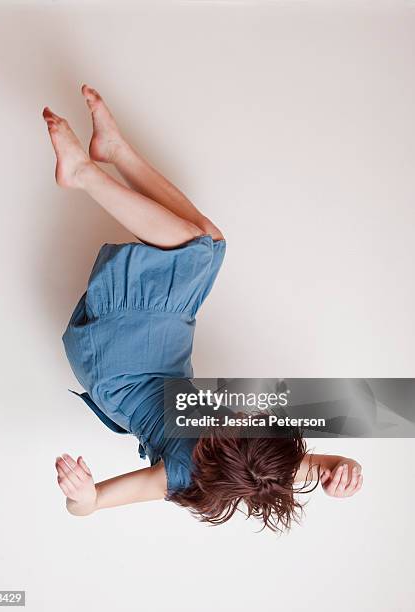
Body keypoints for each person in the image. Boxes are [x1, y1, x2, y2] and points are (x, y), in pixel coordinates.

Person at [43, 85, 363, 531]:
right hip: (163, 358)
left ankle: (83, 173)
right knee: (211, 243)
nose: (243, 412)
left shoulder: (181, 474)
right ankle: (112, 151)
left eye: (241, 423)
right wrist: (345, 472)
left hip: (120, 365)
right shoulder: (266, 462)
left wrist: (81, 495)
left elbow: (91, 504)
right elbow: (326, 464)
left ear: (223, 449)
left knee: (193, 249)